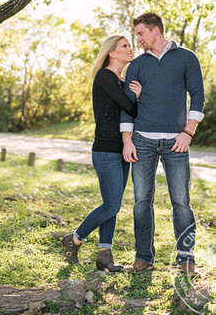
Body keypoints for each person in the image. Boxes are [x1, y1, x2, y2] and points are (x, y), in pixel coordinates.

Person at [120, 12, 205, 275]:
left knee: (181, 201)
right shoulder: (137, 65)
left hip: (176, 142)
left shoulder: (186, 58)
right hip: (142, 140)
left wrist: (188, 132)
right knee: (141, 202)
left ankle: (186, 259)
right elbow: (127, 106)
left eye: (141, 34)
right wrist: (127, 140)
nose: (138, 39)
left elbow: (198, 95)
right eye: (136, 35)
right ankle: (143, 257)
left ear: (156, 30)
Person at [62, 36, 141, 271]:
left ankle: (104, 256)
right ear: (112, 53)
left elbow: (131, 111)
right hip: (106, 150)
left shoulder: (123, 80)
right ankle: (75, 238)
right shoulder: (105, 76)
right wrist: (136, 96)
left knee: (112, 204)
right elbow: (129, 108)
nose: (130, 49)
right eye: (125, 46)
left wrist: (135, 96)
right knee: (111, 206)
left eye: (130, 45)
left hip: (122, 150)